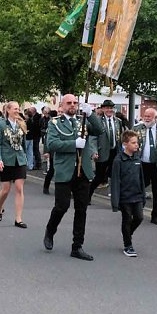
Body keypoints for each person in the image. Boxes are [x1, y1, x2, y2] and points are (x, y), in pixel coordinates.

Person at [43, 94, 104, 260]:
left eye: (75, 102)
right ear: (61, 106)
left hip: (82, 171)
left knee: (81, 209)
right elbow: (52, 144)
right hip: (65, 170)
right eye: (69, 103)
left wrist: (91, 114)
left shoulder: (82, 121)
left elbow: (99, 130)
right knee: (61, 206)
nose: (72, 105)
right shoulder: (55, 122)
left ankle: (77, 246)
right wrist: (73, 145)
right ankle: (50, 230)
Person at [111, 130, 146, 257]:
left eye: (137, 142)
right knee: (126, 219)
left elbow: (141, 178)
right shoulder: (118, 160)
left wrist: (143, 194)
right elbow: (115, 181)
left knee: (139, 217)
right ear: (125, 144)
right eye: (134, 143)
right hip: (125, 196)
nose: (137, 145)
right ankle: (128, 245)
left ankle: (127, 234)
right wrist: (115, 201)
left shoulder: (137, 159)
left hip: (137, 195)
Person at [0, 101, 28, 228]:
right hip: (6, 160)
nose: (17, 111)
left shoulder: (21, 124)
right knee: (5, 189)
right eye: (15, 108)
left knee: (19, 188)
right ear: (8, 110)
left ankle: (18, 219)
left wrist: (25, 158)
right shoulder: (1, 124)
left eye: (18, 109)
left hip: (19, 160)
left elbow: (24, 144)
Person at [89, 99, 124, 201]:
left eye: (111, 108)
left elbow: (121, 137)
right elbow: (93, 138)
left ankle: (115, 199)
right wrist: (94, 151)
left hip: (115, 152)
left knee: (115, 176)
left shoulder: (118, 121)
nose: (109, 110)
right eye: (107, 108)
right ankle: (88, 195)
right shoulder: (98, 121)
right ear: (103, 109)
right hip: (102, 152)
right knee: (99, 177)